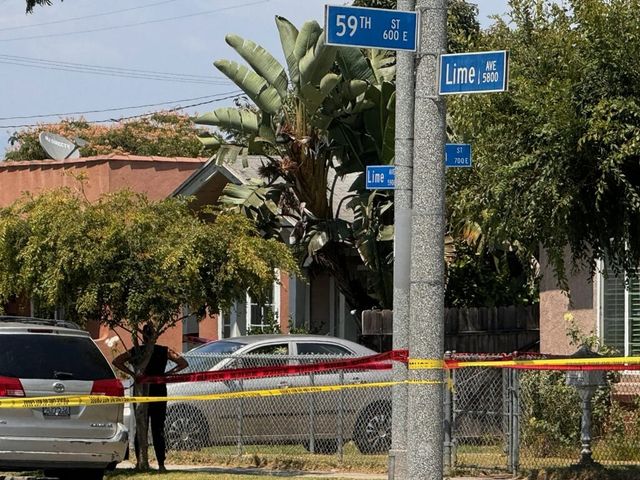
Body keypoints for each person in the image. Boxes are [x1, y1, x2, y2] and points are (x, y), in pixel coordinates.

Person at [112, 324, 188, 472]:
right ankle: (160, 464)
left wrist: (133, 374)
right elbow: (183, 363)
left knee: (142, 426)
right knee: (157, 428)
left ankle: (142, 461)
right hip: (158, 391)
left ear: (142, 336)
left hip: (142, 391)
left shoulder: (137, 351)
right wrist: (168, 373)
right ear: (154, 335)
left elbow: (117, 361)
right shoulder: (163, 351)